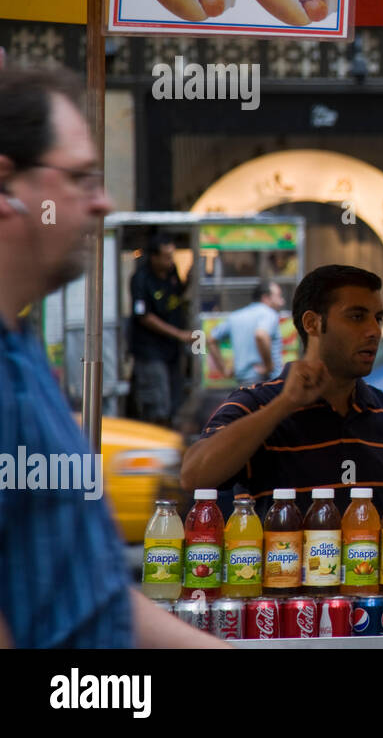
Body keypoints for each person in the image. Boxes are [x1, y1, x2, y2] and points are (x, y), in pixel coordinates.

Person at [0, 67, 219, 647]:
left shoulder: (20, 350)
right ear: (6, 188)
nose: (104, 201)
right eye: (80, 178)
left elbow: (89, 591)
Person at [180, 265, 383, 510]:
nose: (374, 331)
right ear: (312, 323)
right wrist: (283, 406)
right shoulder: (257, 404)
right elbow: (193, 476)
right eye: (357, 316)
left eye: (378, 318)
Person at [128, 233, 190, 426]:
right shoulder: (141, 279)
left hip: (172, 351)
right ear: (154, 257)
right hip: (150, 351)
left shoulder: (172, 274)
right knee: (157, 401)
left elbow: (178, 295)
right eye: (167, 256)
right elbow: (144, 316)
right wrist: (178, 334)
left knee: (174, 399)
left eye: (173, 255)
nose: (171, 261)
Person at [207, 281, 286, 387]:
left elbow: (211, 339)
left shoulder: (236, 316)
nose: (282, 301)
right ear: (266, 297)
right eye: (278, 296)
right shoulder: (269, 314)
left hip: (242, 382)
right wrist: (268, 366)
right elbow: (261, 335)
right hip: (266, 383)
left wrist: (224, 370)